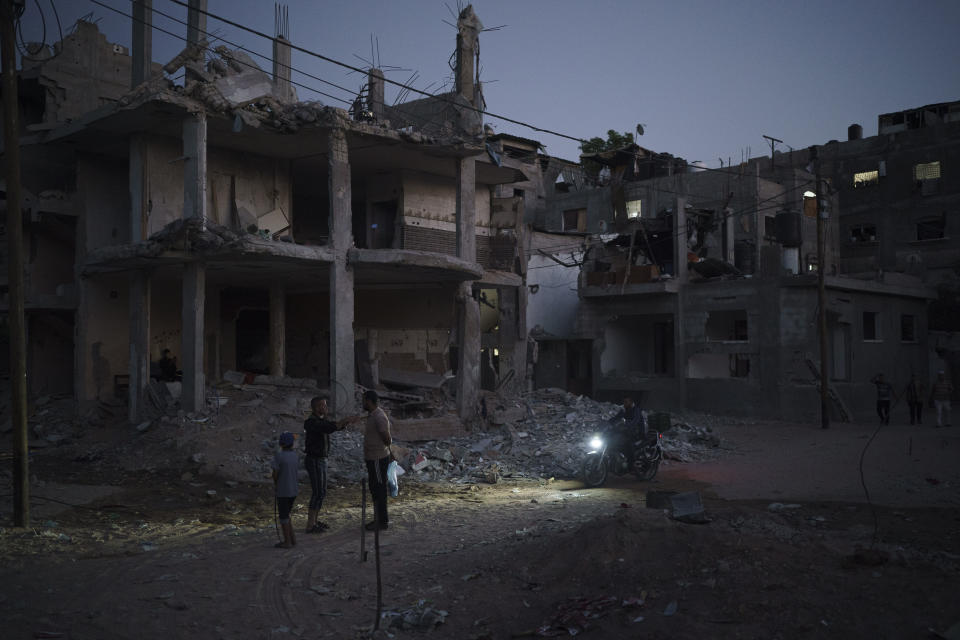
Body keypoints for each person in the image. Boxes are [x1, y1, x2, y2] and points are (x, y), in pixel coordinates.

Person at [302, 397, 356, 534]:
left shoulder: (319, 421)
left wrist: (344, 423)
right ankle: (310, 524)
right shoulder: (311, 422)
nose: (326, 408)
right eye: (323, 406)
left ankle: (314, 521)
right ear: (316, 407)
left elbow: (331, 427)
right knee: (317, 492)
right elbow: (330, 427)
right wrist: (345, 421)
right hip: (315, 460)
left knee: (321, 492)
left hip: (320, 460)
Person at [362, 390, 392, 531]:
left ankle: (382, 521)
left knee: (379, 490)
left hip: (378, 459)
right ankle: (378, 519)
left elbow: (386, 438)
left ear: (369, 401)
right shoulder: (373, 415)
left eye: (364, 401)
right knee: (375, 489)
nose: (363, 403)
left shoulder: (379, 416)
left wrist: (386, 449)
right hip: (373, 458)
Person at [271, 431, 299, 549]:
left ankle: (287, 542)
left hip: (283, 490)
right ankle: (292, 539)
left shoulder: (279, 456)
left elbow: (275, 473)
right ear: (291, 444)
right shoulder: (295, 456)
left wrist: (276, 483)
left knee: (283, 517)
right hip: (293, 490)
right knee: (287, 514)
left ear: (281, 444)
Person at [609, 397, 643, 470]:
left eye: (626, 402)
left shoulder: (636, 410)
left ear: (631, 402)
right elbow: (616, 418)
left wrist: (626, 423)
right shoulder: (624, 410)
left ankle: (631, 464)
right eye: (624, 402)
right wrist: (607, 422)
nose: (624, 404)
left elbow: (635, 421)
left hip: (637, 432)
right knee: (612, 439)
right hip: (626, 431)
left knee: (627, 444)